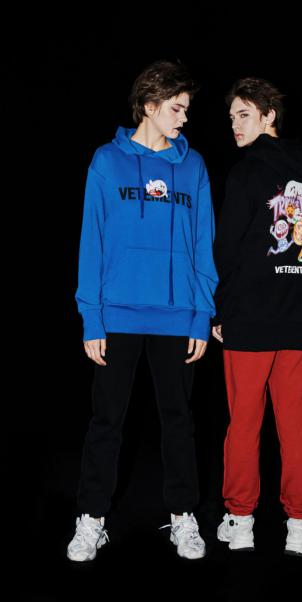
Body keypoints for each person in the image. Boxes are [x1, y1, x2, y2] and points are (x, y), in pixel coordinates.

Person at [66, 59, 218, 562]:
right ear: (149, 105)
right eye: (177, 108)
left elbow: (203, 245)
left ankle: (183, 516)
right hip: (118, 315)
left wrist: (201, 315)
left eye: (187, 109)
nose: (184, 118)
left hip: (177, 315)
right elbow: (92, 242)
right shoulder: (106, 162)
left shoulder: (193, 167)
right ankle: (91, 519)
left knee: (178, 420)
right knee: (107, 421)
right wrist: (92, 316)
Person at [211, 77, 302, 556]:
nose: (235, 125)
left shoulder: (245, 174)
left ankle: (240, 521)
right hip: (295, 324)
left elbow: (226, 250)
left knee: (244, 424)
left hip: (248, 322)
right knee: (295, 425)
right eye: (231, 117)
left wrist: (219, 308)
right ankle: (300, 526)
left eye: (244, 115)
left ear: (270, 116)